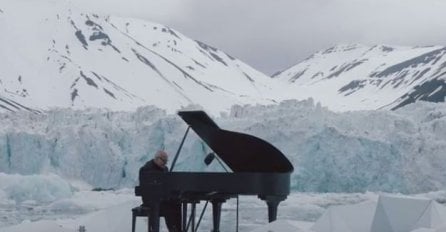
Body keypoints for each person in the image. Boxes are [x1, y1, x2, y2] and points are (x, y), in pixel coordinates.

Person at [139, 150, 182, 232]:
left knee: (177, 204)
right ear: (157, 158)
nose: (165, 163)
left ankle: (177, 229)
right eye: (164, 161)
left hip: (162, 198)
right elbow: (146, 189)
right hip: (150, 200)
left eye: (166, 161)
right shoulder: (147, 169)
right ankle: (169, 229)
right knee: (168, 207)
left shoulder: (165, 169)